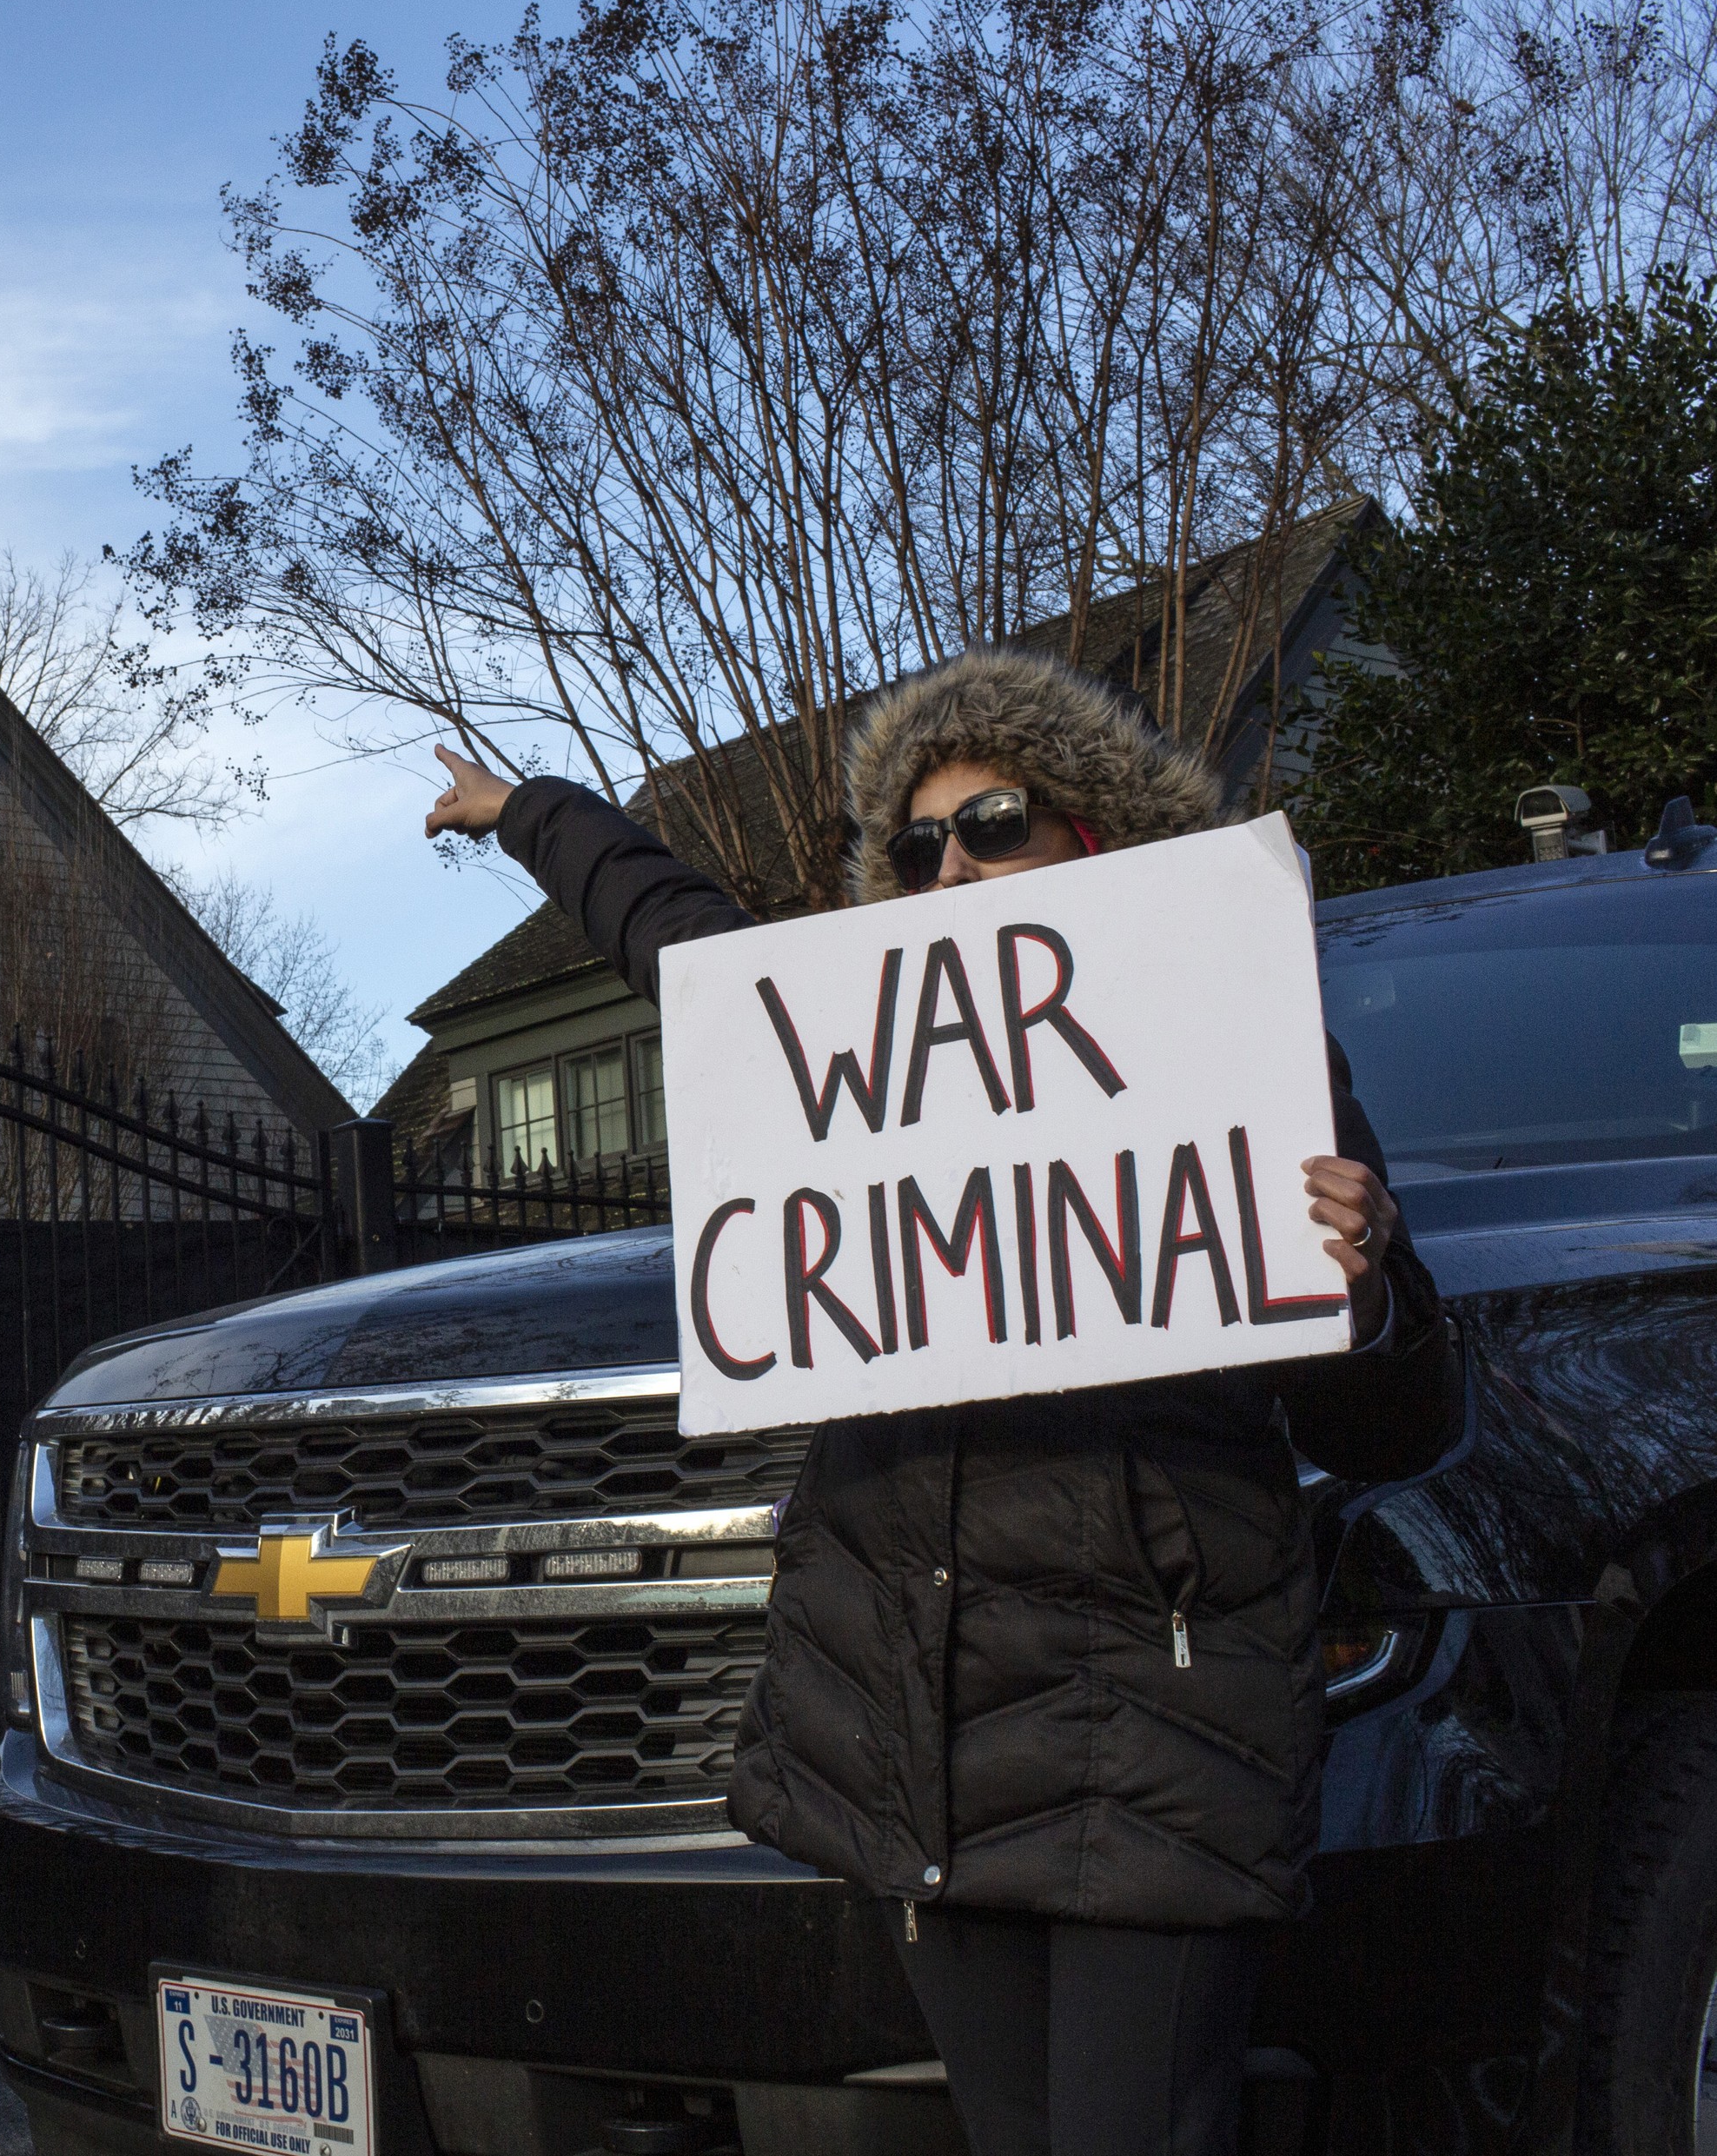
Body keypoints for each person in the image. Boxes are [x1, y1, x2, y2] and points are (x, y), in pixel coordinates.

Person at [424, 651, 1456, 2156]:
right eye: (918, 846)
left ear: (1092, 834)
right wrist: (533, 813)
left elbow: (1396, 1424)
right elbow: (684, 945)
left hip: (1152, 1738)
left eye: (996, 821)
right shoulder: (860, 1050)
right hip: (925, 1729)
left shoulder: (1234, 1031)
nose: (953, 861)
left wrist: (1367, 1287)